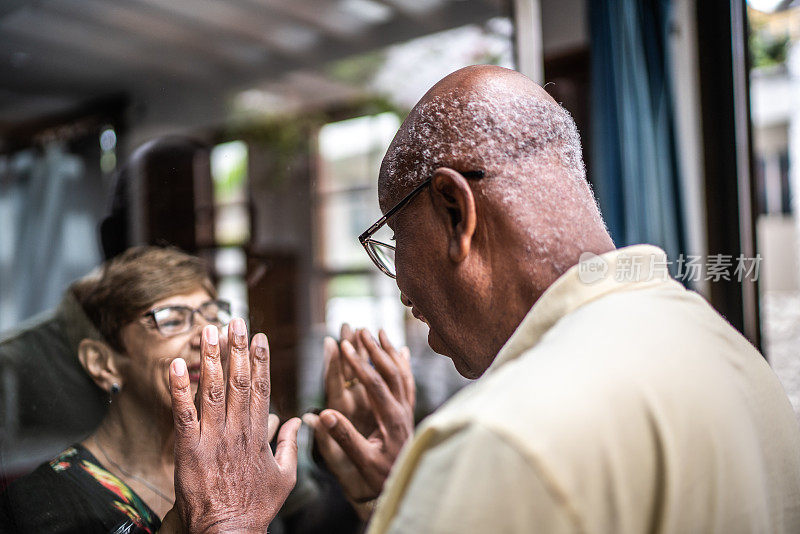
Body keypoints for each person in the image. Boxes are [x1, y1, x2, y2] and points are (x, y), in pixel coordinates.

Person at [165, 65, 800, 533]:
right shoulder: (732, 358)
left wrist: (227, 524)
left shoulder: (502, 439)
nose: (400, 285)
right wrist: (406, 499)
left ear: (453, 209)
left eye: (394, 243)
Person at [0, 246, 269, 533]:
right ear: (103, 364)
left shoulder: (241, 465)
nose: (207, 337)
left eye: (213, 315)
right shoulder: (36, 508)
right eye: (171, 320)